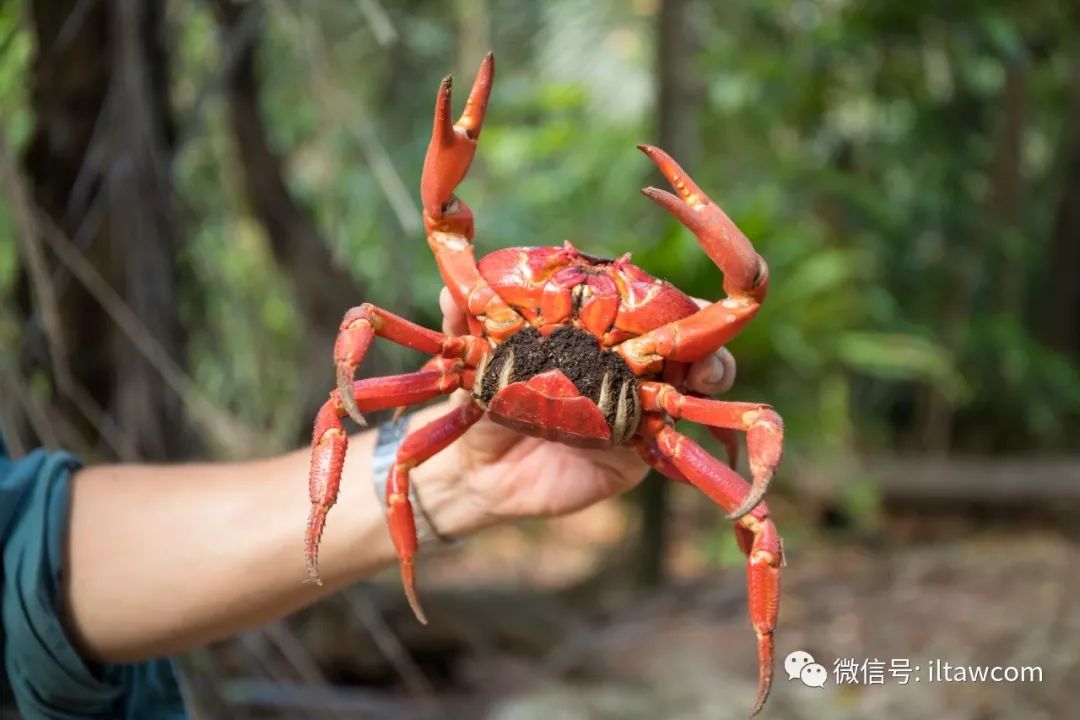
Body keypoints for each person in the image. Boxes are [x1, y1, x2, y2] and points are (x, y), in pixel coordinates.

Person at [1, 288, 737, 719]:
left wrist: (458, 481)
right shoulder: (472, 341)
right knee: (336, 405)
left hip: (586, 416)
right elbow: (365, 328)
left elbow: (24, 550)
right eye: (559, 274)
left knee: (754, 510)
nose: (579, 289)